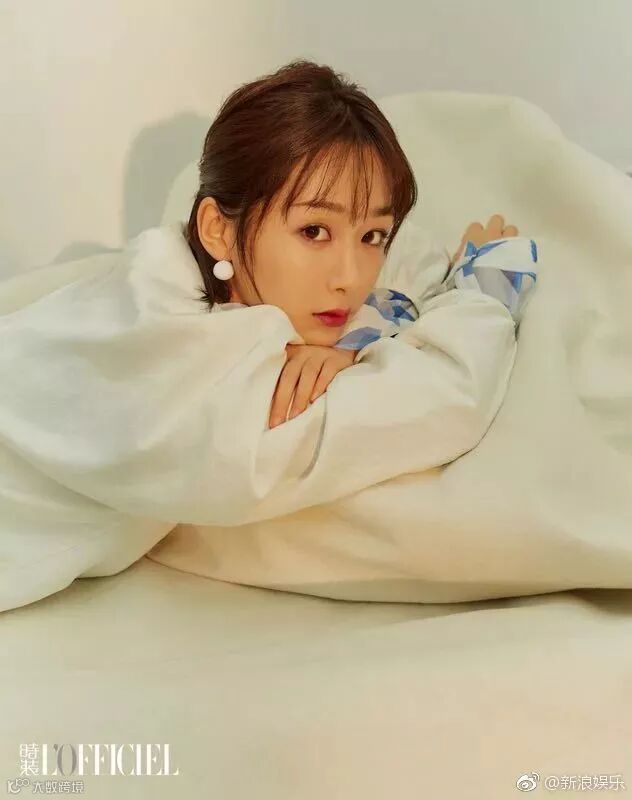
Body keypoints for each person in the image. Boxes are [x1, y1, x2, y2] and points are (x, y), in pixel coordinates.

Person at [0, 59, 537, 610]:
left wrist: (356, 342)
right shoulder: (210, 377)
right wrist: (483, 292)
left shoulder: (181, 270)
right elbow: (450, 398)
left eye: (373, 236)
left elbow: (410, 259)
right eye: (314, 231)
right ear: (217, 228)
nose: (350, 277)